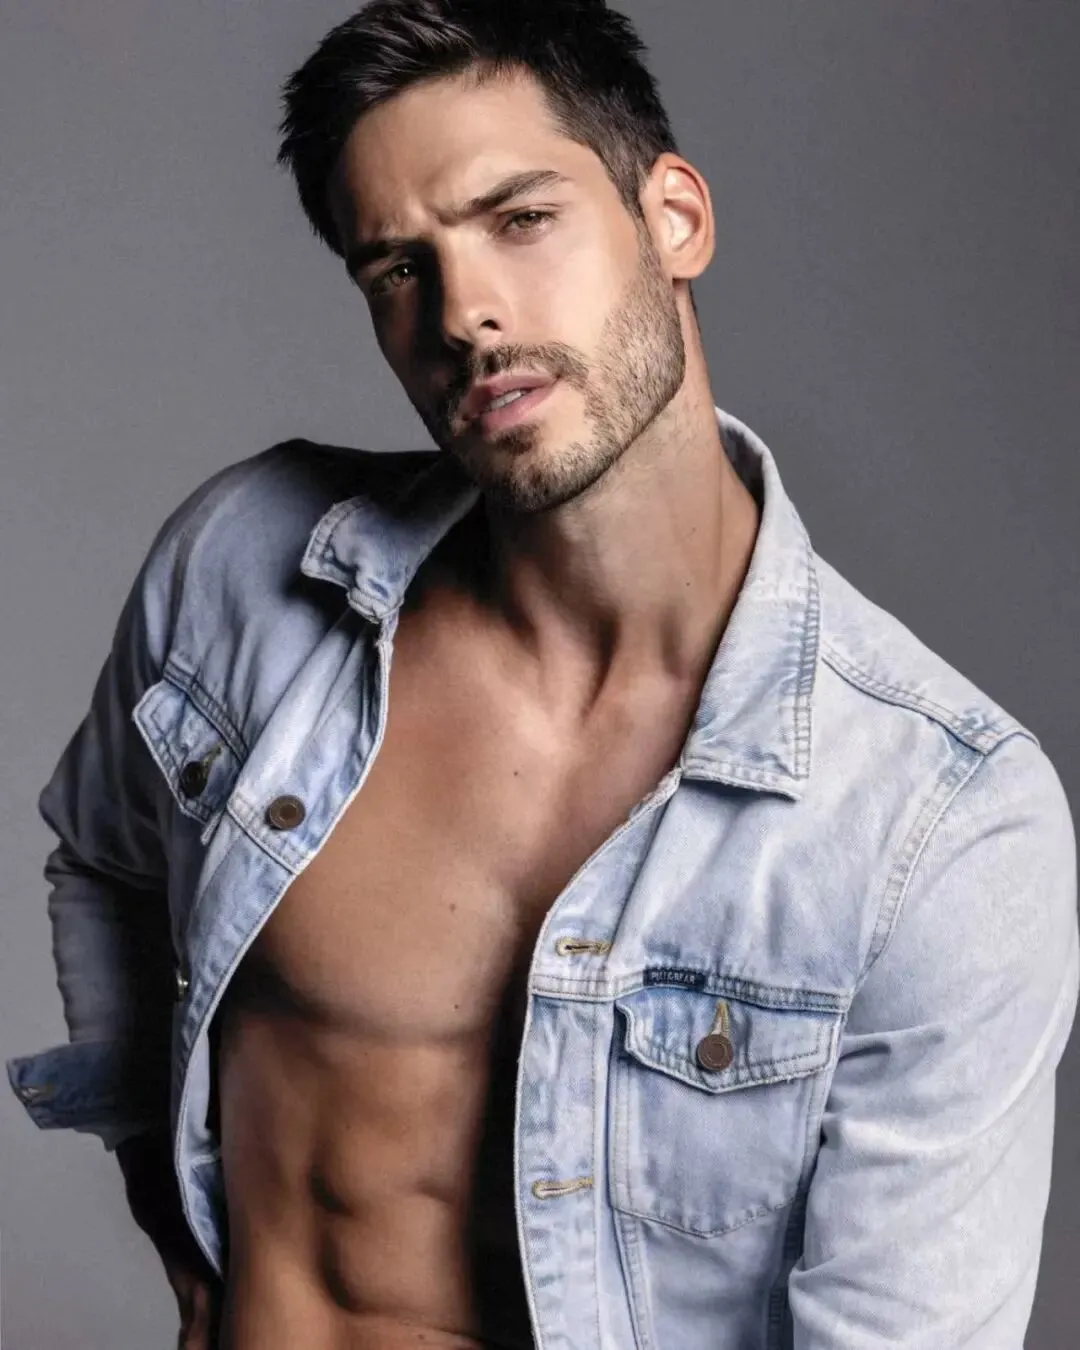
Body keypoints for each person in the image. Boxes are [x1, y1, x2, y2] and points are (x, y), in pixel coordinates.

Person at [7, 1, 1078, 1347]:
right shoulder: (242, 568)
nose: (466, 313)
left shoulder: (940, 823)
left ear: (673, 218)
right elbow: (103, 861)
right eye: (399, 267)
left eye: (520, 219)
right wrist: (165, 1205)